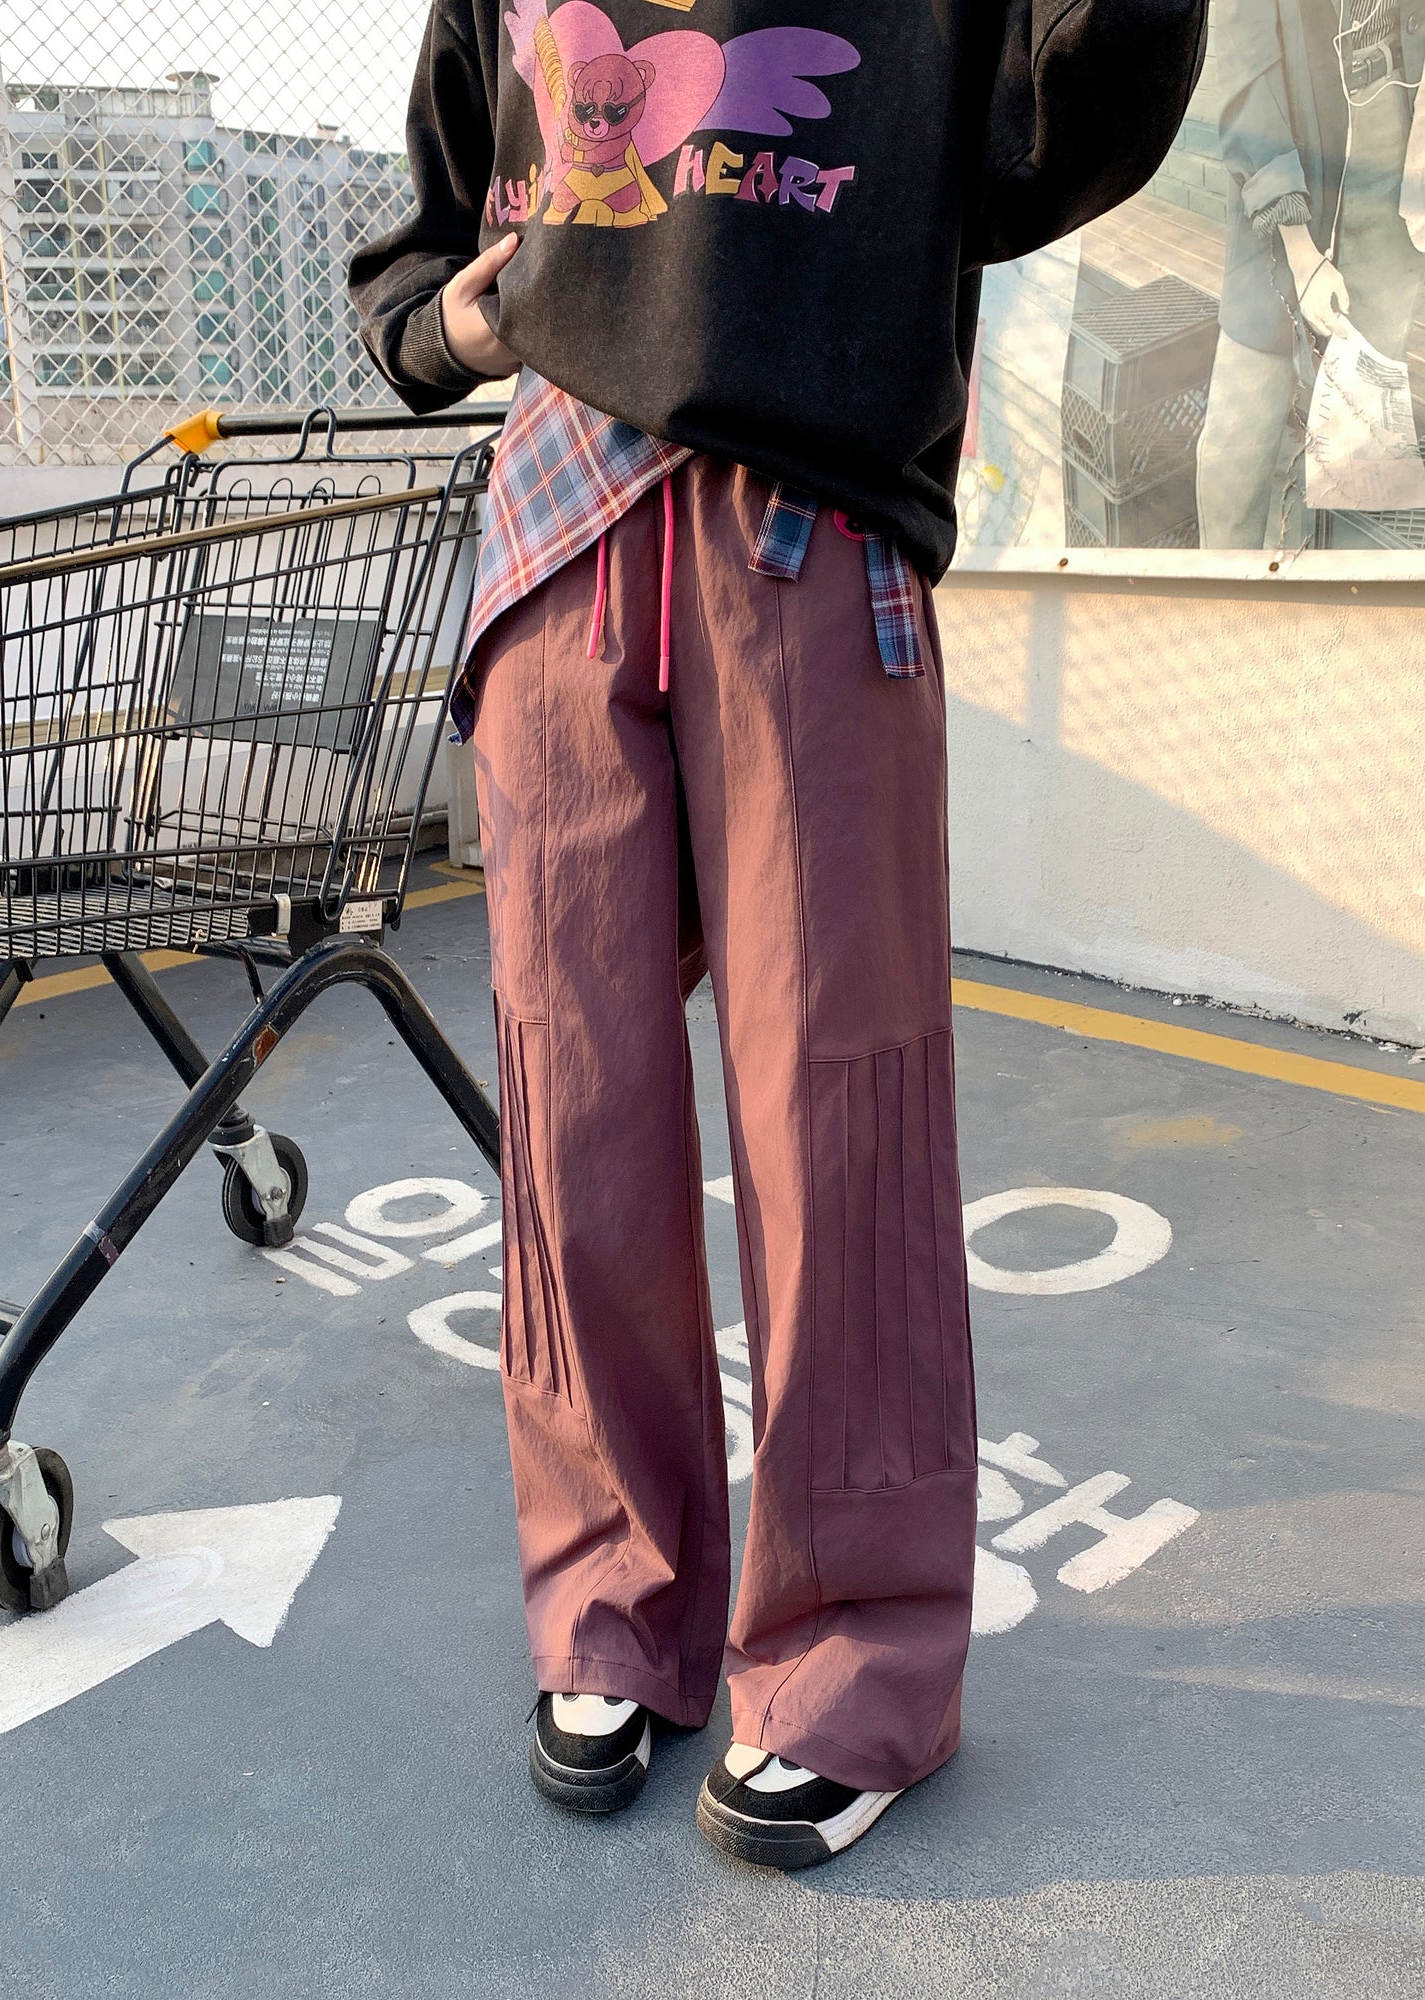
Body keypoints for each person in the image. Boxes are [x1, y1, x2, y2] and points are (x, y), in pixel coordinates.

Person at [351, 0, 1207, 1869]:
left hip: (813, 536)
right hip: (558, 536)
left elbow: (1054, 136)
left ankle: (855, 1657)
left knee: (842, 1120)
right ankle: (611, 1600)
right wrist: (459, 329)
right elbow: (415, 254)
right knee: (575, 1112)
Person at [1198, 0, 1425, 547]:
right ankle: (1222, 584)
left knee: (1363, 420)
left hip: (1392, 169)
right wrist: (1300, 251)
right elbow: (1245, 74)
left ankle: (1333, 577)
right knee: (1243, 423)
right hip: (1291, 169)